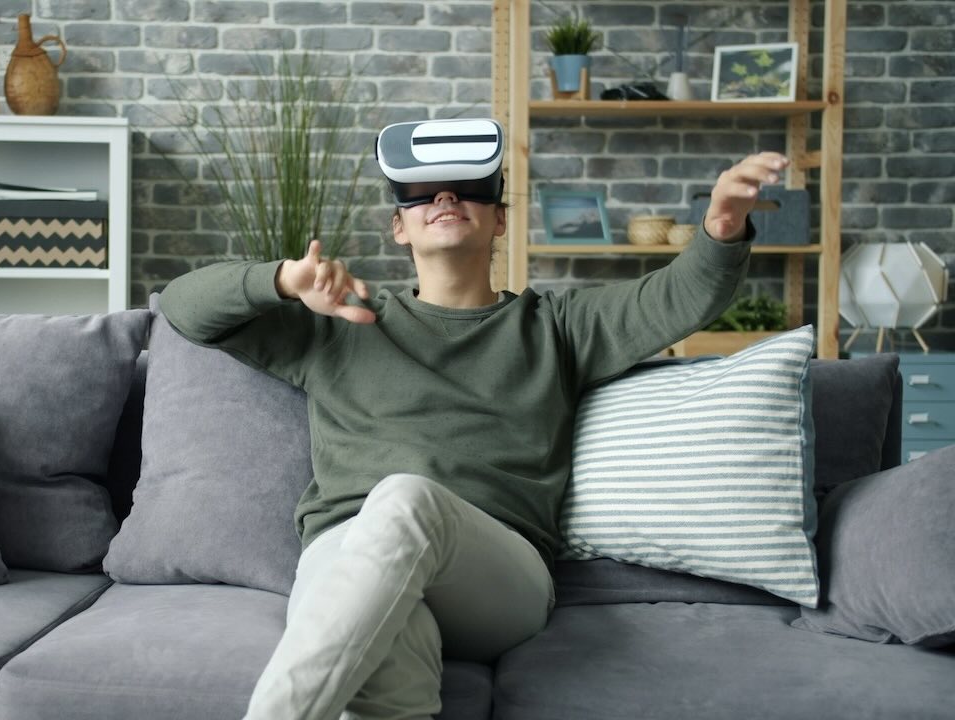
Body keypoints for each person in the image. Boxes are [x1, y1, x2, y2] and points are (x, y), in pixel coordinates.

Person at [156, 118, 789, 720]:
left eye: (468, 188)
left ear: (500, 219)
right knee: (389, 656)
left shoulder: (557, 327)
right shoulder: (340, 323)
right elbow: (183, 308)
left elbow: (680, 295)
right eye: (421, 193)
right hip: (346, 555)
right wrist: (281, 280)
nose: (444, 197)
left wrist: (721, 228)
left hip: (495, 577)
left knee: (404, 499)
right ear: (399, 227)